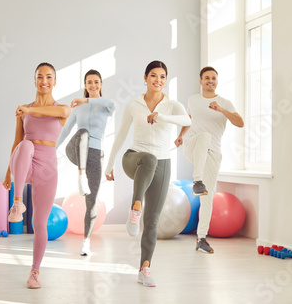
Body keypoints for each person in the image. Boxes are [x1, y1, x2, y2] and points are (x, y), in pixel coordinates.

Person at [105, 61, 191, 287]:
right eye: (154, 76)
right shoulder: (134, 105)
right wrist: (109, 165)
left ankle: (144, 268)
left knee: (152, 221)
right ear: (145, 78)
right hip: (135, 158)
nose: (158, 80)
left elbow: (187, 121)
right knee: (149, 158)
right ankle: (135, 207)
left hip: (162, 164)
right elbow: (121, 135)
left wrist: (162, 117)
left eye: (163, 77)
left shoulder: (172, 105)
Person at [3, 62, 70, 289]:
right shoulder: (23, 110)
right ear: (34, 80)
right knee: (26, 145)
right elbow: (16, 143)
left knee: (39, 223)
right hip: (25, 163)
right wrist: (7, 174)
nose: (44, 81)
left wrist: (29, 110)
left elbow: (57, 112)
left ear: (54, 81)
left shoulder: (63, 109)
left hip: (47, 169)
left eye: (49, 77)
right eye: (40, 77)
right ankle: (18, 202)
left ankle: (34, 272)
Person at [175, 66, 244, 254]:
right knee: (204, 136)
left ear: (217, 81)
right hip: (193, 147)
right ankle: (197, 180)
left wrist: (221, 109)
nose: (210, 81)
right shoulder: (193, 100)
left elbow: (240, 122)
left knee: (208, 196)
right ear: (201, 81)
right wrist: (181, 135)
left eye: (213, 78)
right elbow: (188, 120)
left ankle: (201, 239)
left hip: (213, 153)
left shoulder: (224, 103)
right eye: (206, 78)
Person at [57, 69, 115, 256]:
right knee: (83, 132)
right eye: (89, 82)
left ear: (101, 84)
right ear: (85, 85)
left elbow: (111, 103)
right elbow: (66, 130)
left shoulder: (105, 106)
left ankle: (86, 243)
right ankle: (81, 176)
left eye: (96, 82)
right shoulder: (78, 108)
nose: (93, 85)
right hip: (75, 150)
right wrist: (53, 149)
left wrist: (87, 100)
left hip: (95, 155)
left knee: (91, 202)